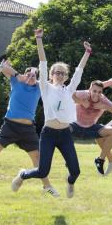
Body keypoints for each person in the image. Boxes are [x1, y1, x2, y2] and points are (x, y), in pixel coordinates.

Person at [11, 28, 91, 198]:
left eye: (63, 73)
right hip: (48, 134)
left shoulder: (69, 90)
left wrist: (87, 53)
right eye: (57, 72)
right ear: (51, 75)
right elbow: (43, 63)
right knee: (42, 171)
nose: (60, 75)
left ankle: (70, 183)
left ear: (66, 76)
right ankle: (23, 174)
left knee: (75, 171)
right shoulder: (45, 88)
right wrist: (39, 39)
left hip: (65, 134)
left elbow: (79, 72)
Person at [0, 61, 58, 196]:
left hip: (28, 130)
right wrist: (14, 73)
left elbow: (49, 79)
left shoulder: (38, 88)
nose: (31, 77)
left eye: (34, 76)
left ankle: (47, 186)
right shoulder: (16, 82)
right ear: (23, 75)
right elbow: (5, 68)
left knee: (38, 159)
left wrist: (36, 73)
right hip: (9, 126)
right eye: (28, 75)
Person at [71, 80, 112, 176]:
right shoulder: (84, 94)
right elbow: (69, 94)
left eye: (99, 92)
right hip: (76, 126)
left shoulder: (103, 99)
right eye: (94, 91)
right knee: (62, 129)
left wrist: (105, 106)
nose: (96, 94)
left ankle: (100, 160)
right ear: (89, 90)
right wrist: (81, 102)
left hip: (91, 128)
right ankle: (70, 160)